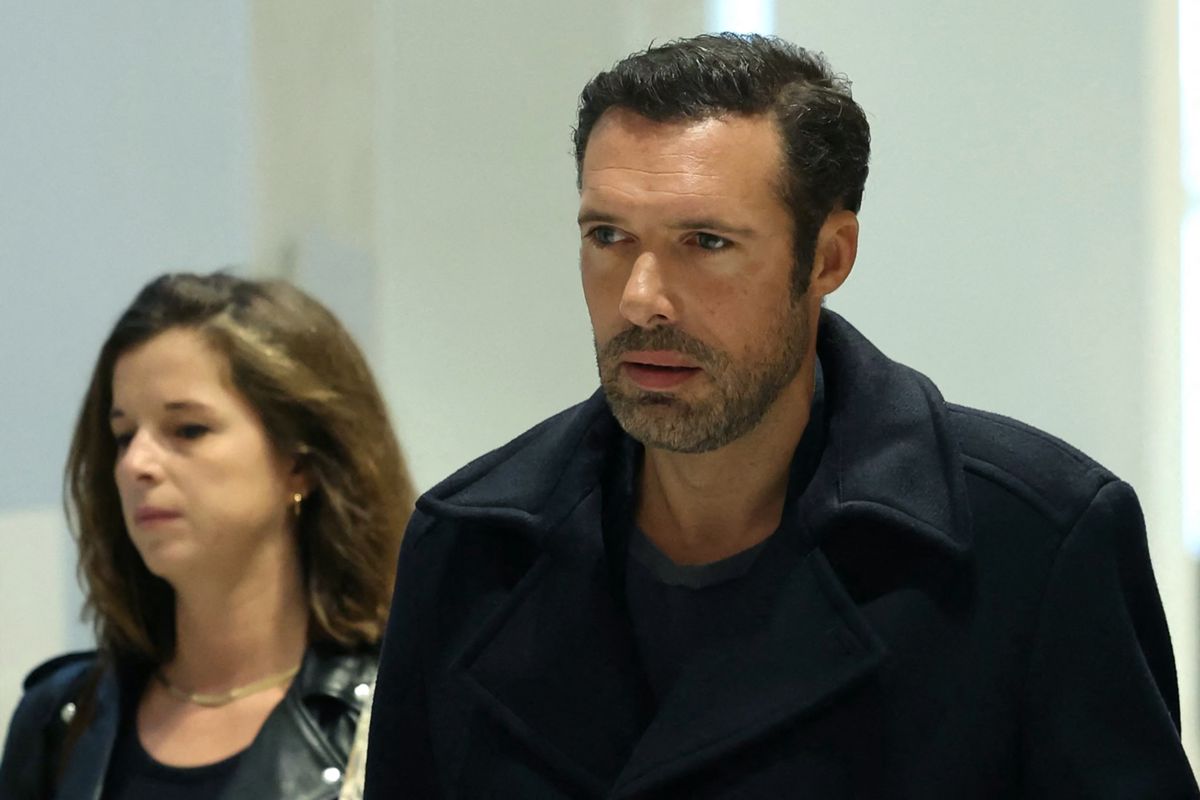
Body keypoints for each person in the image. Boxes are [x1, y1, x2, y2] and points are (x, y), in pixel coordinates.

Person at [363, 32, 1198, 798]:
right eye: (609, 235)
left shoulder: (1033, 542)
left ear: (828, 258)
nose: (642, 298)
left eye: (707, 242)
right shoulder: (469, 546)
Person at [0, 272, 415, 799]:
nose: (136, 464)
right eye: (124, 435)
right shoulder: (60, 720)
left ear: (300, 464)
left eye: (187, 429)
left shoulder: (394, 714)